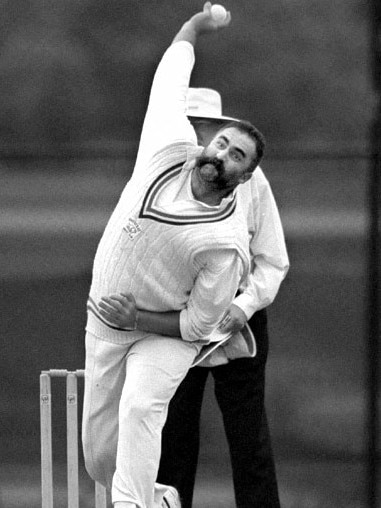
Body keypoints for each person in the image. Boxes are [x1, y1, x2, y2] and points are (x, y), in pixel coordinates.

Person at [82, 4, 267, 508]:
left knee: (142, 406)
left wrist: (139, 316)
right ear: (207, 141)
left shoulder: (225, 242)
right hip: (105, 322)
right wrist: (193, 28)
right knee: (100, 458)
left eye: (237, 156)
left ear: (245, 176)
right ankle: (159, 497)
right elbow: (169, 77)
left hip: (167, 332)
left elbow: (198, 327)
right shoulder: (168, 144)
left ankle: (133, 505)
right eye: (222, 143)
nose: (223, 154)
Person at [156, 89, 289, 508]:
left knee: (248, 435)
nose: (199, 134)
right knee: (173, 433)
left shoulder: (252, 180)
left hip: (238, 319)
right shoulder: (162, 170)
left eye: (205, 126)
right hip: (179, 319)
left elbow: (273, 260)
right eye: (190, 124)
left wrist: (242, 306)